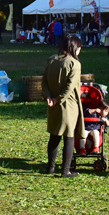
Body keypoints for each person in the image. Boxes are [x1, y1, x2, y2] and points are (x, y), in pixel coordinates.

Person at [42, 35, 85, 178]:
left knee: (54, 135)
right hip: (68, 104)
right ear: (74, 48)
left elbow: (44, 80)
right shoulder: (74, 64)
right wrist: (58, 99)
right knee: (69, 136)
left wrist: (48, 97)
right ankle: (66, 170)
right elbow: (69, 87)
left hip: (53, 103)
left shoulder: (51, 59)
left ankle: (50, 167)